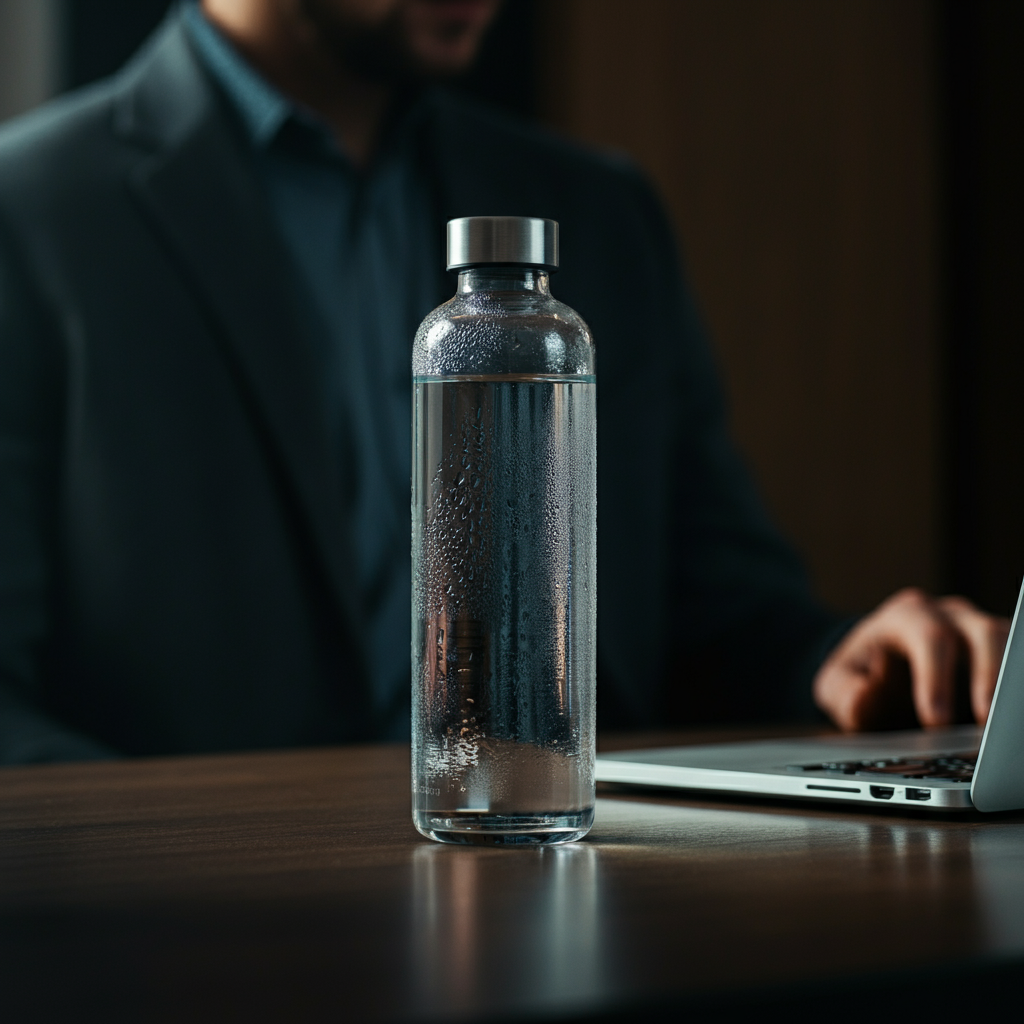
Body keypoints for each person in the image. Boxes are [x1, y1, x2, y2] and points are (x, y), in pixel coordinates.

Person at [0, 0, 1008, 763]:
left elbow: (718, 611)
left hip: (577, 914)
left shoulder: (600, 214)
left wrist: (845, 660)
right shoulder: (30, 217)